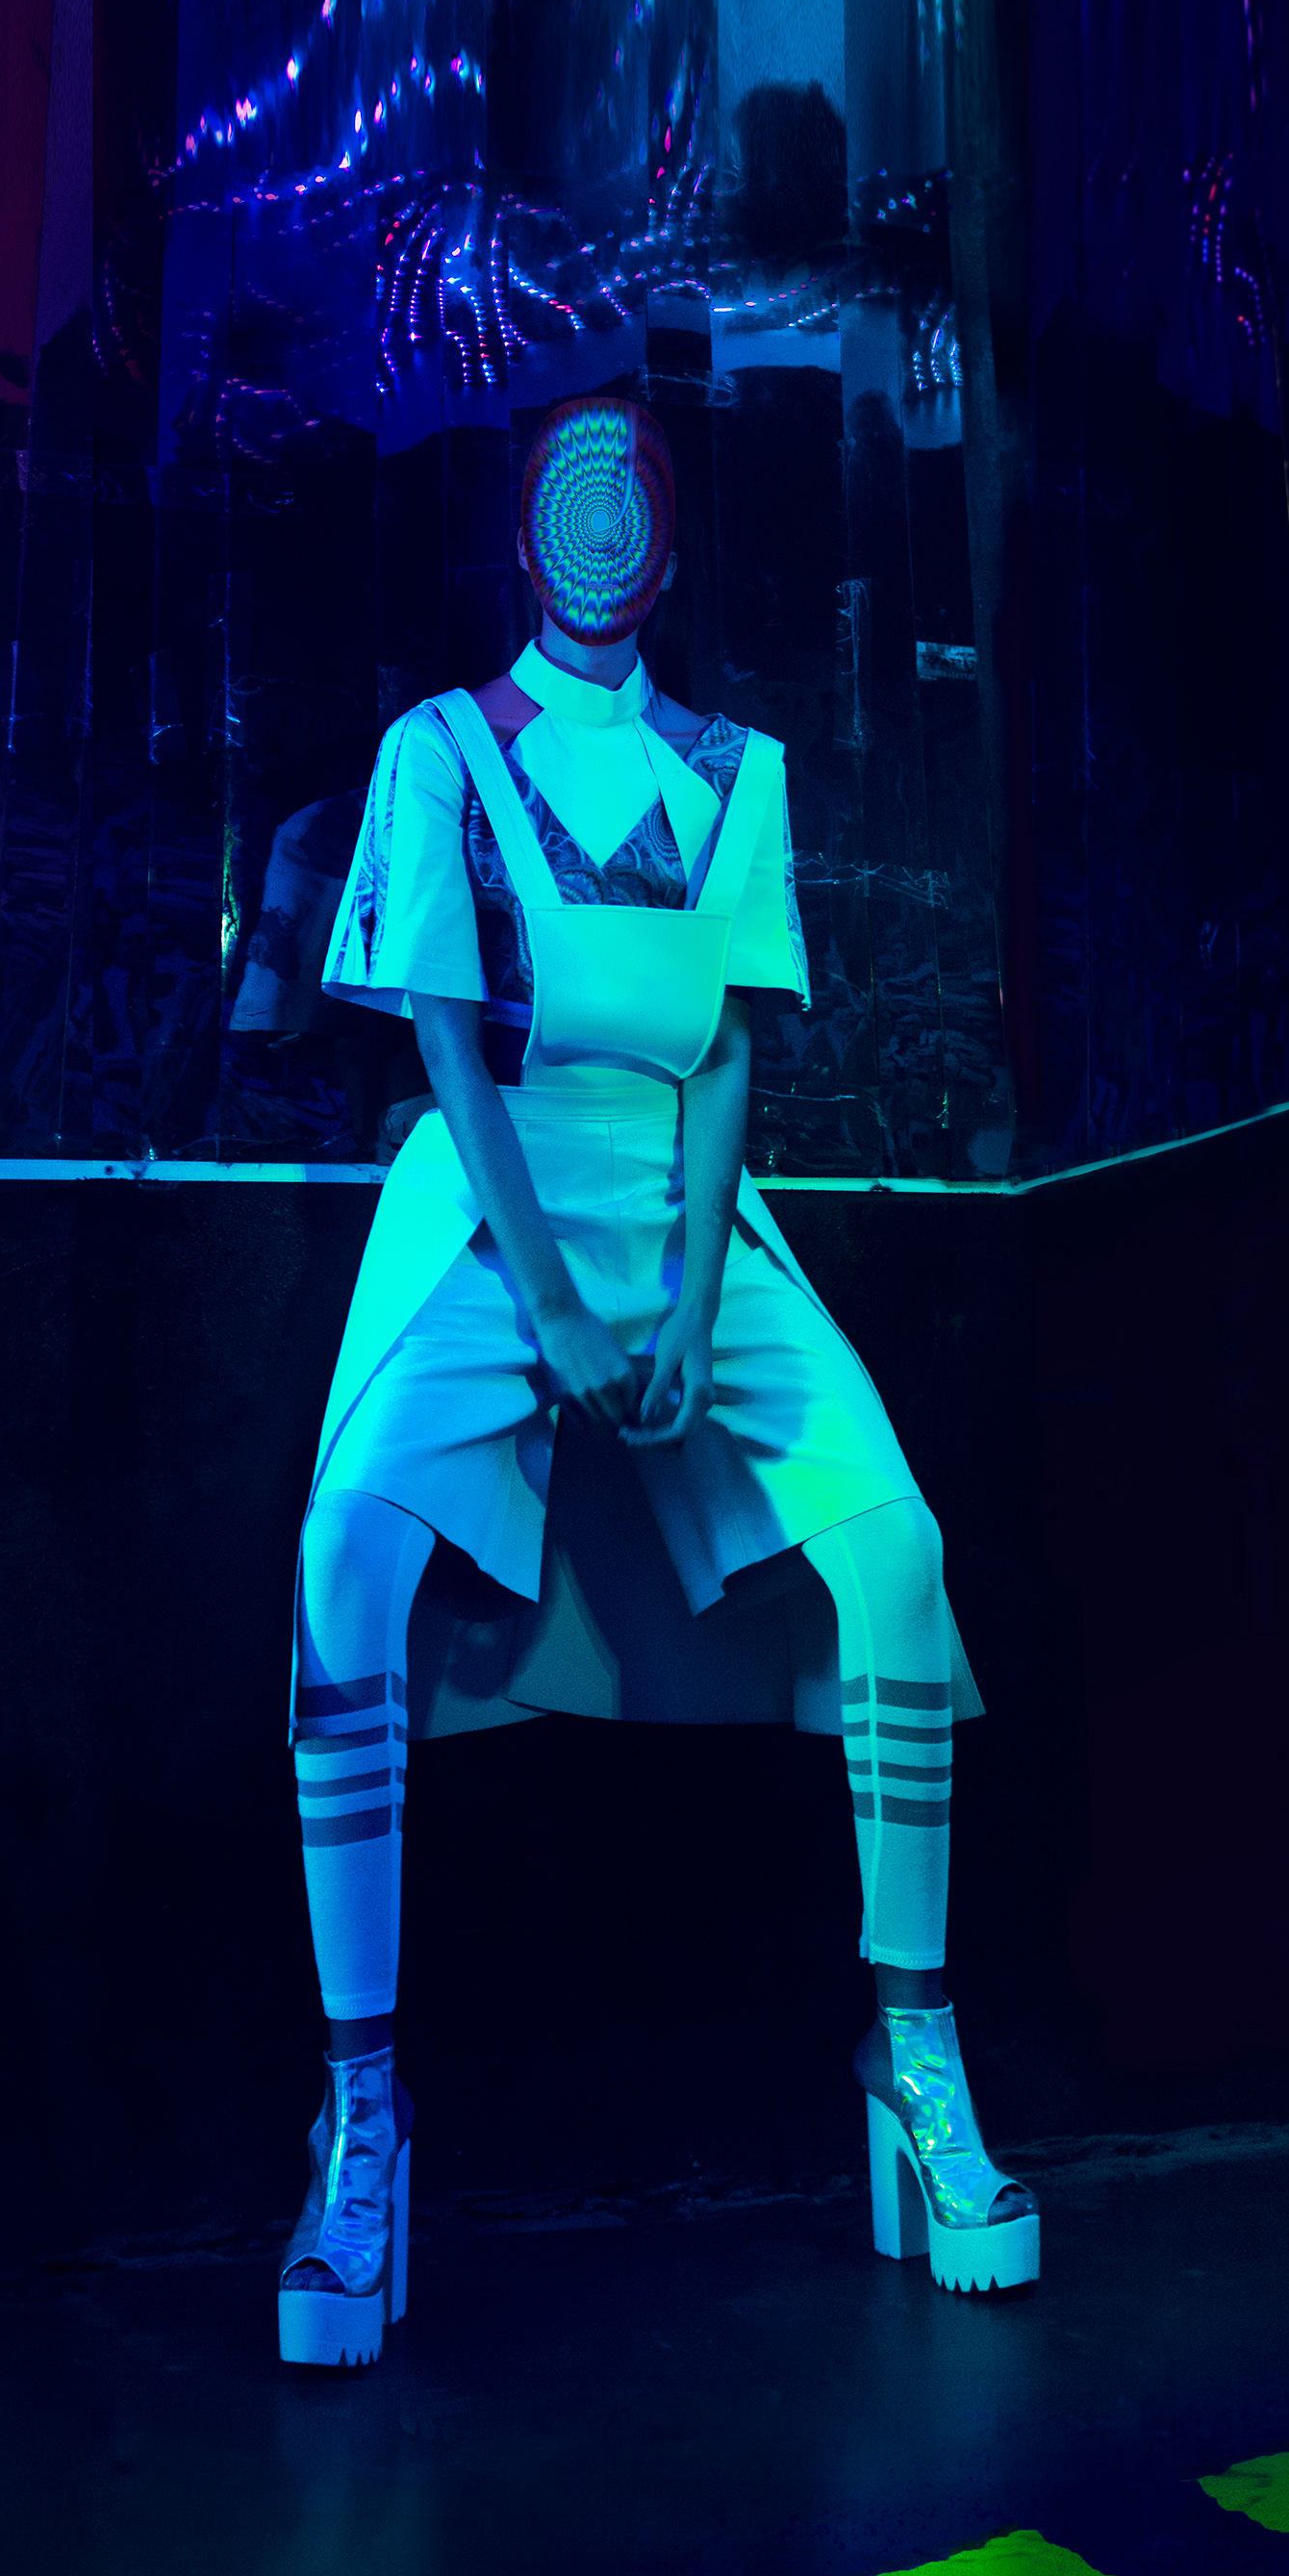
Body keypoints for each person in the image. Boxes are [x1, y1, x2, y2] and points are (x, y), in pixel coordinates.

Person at [275, 393, 1033, 2367]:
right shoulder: (441, 749)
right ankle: (360, 2108)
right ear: (525, 535)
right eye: (571, 490)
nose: (604, 521)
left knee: (894, 1556)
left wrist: (689, 1303)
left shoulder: (733, 768)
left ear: (670, 549)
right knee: (347, 1566)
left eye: (635, 493)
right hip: (488, 1202)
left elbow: (727, 1049)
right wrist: (558, 1304)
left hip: (693, 1215)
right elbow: (447, 1039)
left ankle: (916, 2056)